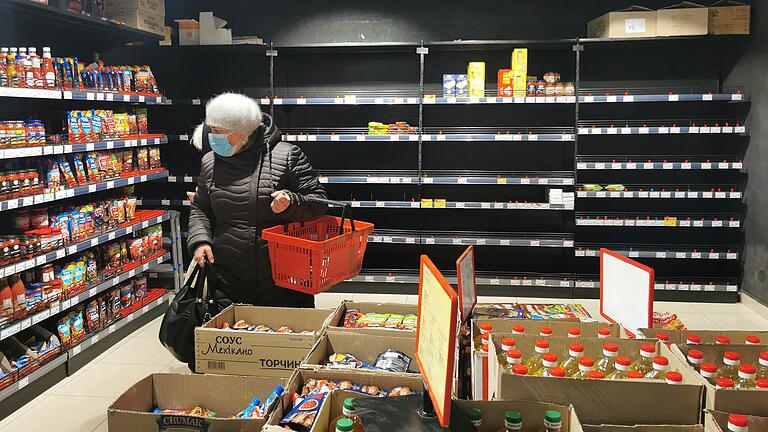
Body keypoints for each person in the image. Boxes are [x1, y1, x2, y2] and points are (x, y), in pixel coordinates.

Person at [187, 93, 327, 308]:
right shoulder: (210, 162)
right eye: (211, 129)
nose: (212, 136)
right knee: (235, 335)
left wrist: (291, 202)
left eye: (219, 131)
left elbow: (318, 203)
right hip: (228, 279)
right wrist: (200, 241)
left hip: (283, 277)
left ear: (243, 132)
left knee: (286, 336)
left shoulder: (287, 155)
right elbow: (201, 208)